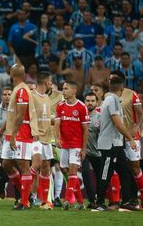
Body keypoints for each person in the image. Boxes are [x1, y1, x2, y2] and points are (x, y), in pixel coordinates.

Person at [92, 76, 139, 212]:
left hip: (116, 143)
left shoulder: (111, 99)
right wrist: (130, 138)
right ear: (122, 88)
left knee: (125, 172)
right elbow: (118, 123)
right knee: (105, 173)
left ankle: (126, 202)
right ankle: (99, 203)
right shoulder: (112, 100)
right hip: (109, 144)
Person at [0, 63, 37, 210]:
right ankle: (25, 194)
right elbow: (13, 115)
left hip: (22, 132)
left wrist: (13, 135)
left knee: (24, 166)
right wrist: (0, 132)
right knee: (6, 164)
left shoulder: (21, 91)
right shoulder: (17, 89)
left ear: (13, 74)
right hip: (11, 132)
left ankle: (24, 201)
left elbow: (20, 116)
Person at [111, 70, 143, 208]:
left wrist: (137, 127)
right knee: (116, 169)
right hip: (115, 138)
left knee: (135, 168)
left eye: (113, 79)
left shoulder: (131, 94)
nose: (110, 81)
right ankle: (117, 200)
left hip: (131, 137)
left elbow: (140, 114)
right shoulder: (108, 96)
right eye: (109, 79)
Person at [55, 81, 89, 210]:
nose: (63, 91)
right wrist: (57, 138)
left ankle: (67, 200)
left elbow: (86, 130)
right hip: (64, 145)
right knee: (65, 170)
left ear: (74, 91)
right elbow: (57, 124)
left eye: (65, 89)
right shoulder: (60, 106)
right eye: (62, 89)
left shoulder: (81, 107)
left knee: (73, 170)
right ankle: (80, 203)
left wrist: (84, 148)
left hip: (76, 145)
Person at [30, 72, 55, 209]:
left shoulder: (46, 97)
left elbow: (46, 117)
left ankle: (45, 201)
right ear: (46, 82)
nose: (51, 83)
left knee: (46, 168)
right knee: (37, 164)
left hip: (47, 137)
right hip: (35, 137)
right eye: (50, 81)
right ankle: (28, 195)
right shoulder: (31, 96)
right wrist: (33, 132)